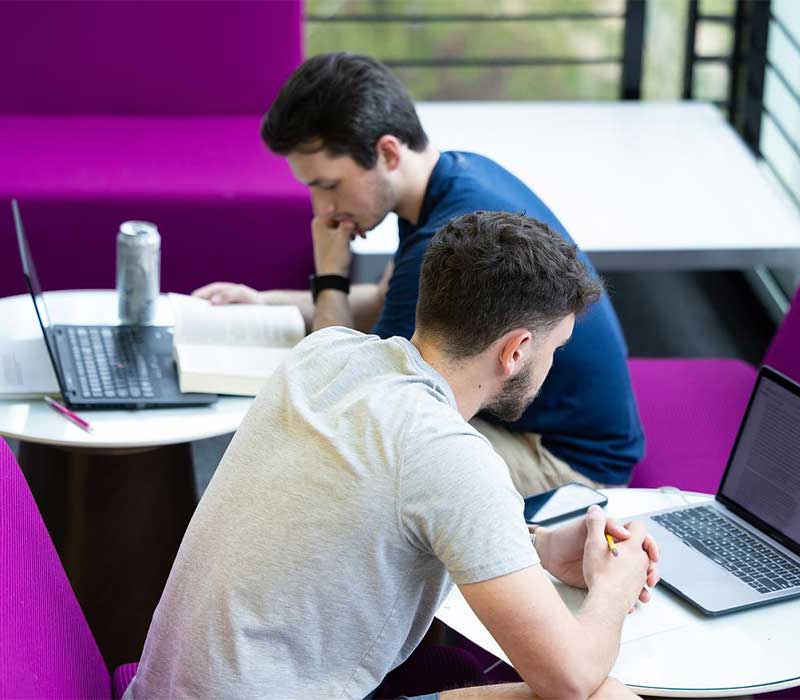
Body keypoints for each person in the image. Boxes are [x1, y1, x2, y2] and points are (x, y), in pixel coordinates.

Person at [124, 212, 660, 700]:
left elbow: (376, 509)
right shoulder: (451, 456)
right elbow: (568, 679)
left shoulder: (323, 354)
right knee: (604, 696)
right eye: (554, 350)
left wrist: (537, 546)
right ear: (515, 350)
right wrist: (616, 586)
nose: (551, 366)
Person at [193, 52, 645, 494]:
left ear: (387, 152)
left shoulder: (444, 230)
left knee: (344, 459)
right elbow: (382, 301)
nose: (323, 209)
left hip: (566, 460)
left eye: (328, 185)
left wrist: (331, 275)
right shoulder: (450, 177)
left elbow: (345, 398)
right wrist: (264, 301)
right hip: (548, 427)